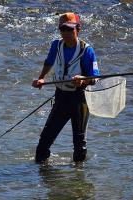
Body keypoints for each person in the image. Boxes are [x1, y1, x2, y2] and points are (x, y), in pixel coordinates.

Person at [32, 12, 100, 163]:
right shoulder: (56, 45)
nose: (66, 33)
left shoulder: (87, 50)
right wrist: (42, 78)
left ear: (78, 29)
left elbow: (94, 78)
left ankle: (78, 183)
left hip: (80, 101)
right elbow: (49, 62)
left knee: (79, 146)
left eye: (70, 29)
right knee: (43, 143)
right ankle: (43, 179)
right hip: (61, 98)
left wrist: (83, 80)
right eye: (63, 29)